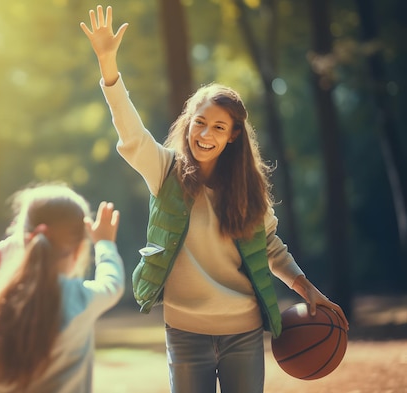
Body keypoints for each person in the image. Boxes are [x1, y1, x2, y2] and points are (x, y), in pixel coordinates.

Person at [80, 5, 349, 393]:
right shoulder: (166, 171)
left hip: (242, 329)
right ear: (189, 123)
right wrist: (108, 64)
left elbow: (270, 247)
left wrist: (309, 291)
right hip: (185, 329)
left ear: (233, 136)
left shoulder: (249, 190)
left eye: (218, 127)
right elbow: (131, 133)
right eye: (200, 123)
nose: (205, 134)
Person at [0, 183, 125, 393]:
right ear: (78, 251)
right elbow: (112, 284)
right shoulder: (79, 297)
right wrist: (105, 244)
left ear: (24, 243)